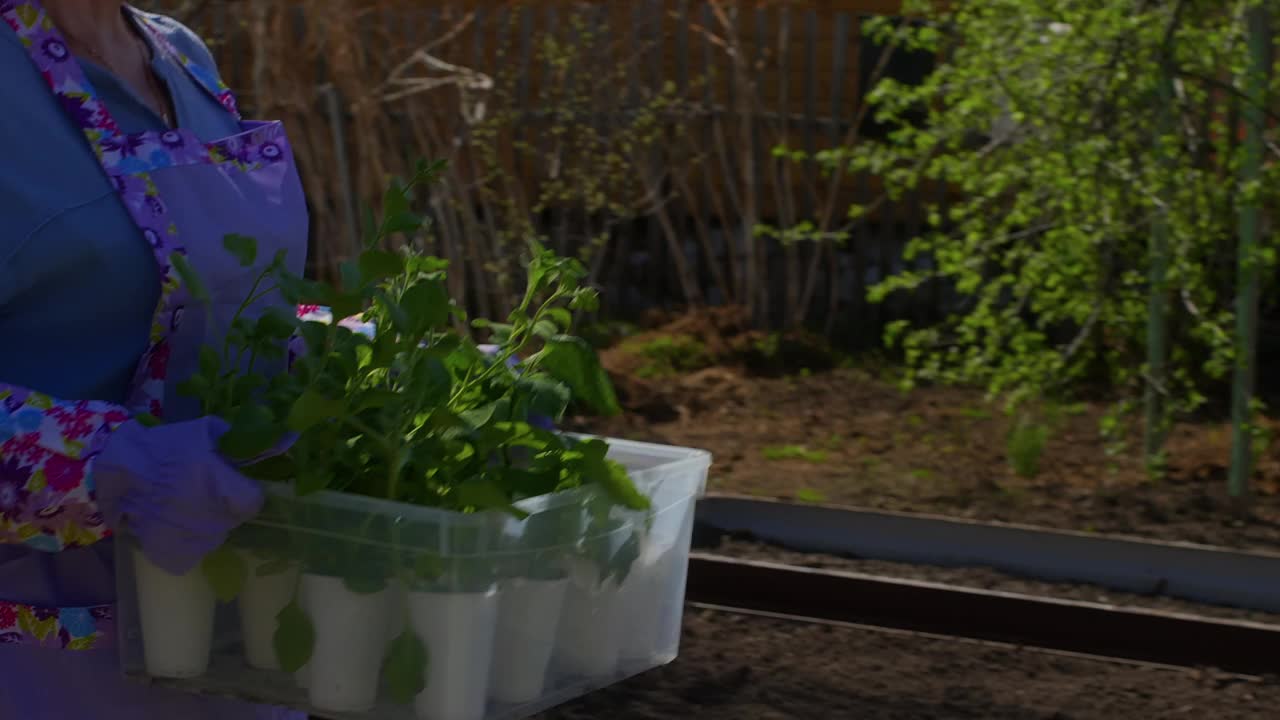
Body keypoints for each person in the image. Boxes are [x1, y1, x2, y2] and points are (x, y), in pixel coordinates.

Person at [0, 1, 308, 717]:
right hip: (49, 663)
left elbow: (214, 297)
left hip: (230, 638)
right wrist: (110, 469)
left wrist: (361, 369)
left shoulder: (177, 52)